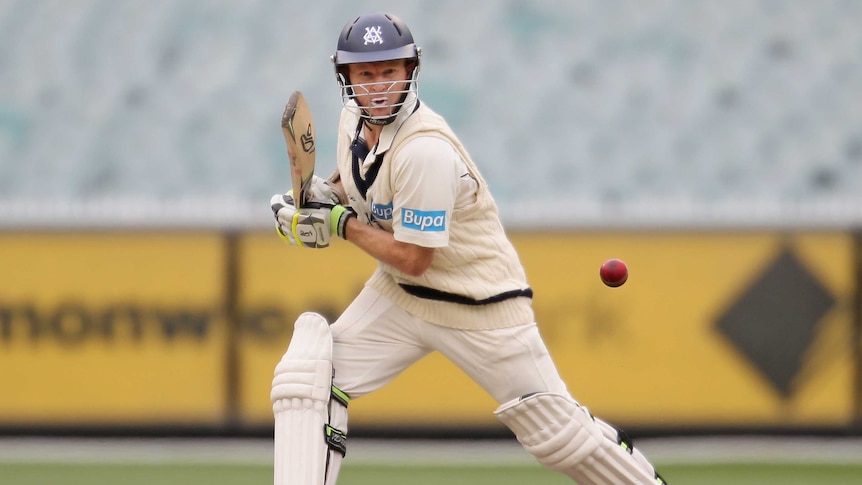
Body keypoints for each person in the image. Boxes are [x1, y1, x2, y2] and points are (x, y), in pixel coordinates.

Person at [269, 11, 667, 485]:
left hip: (479, 305)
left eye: (389, 72)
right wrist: (324, 195)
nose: (377, 86)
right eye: (366, 74)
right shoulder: (352, 120)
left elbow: (415, 259)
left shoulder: (425, 152)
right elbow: (363, 179)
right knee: (308, 376)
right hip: (401, 298)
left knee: (561, 438)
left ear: (410, 72)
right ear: (346, 77)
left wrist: (337, 224)